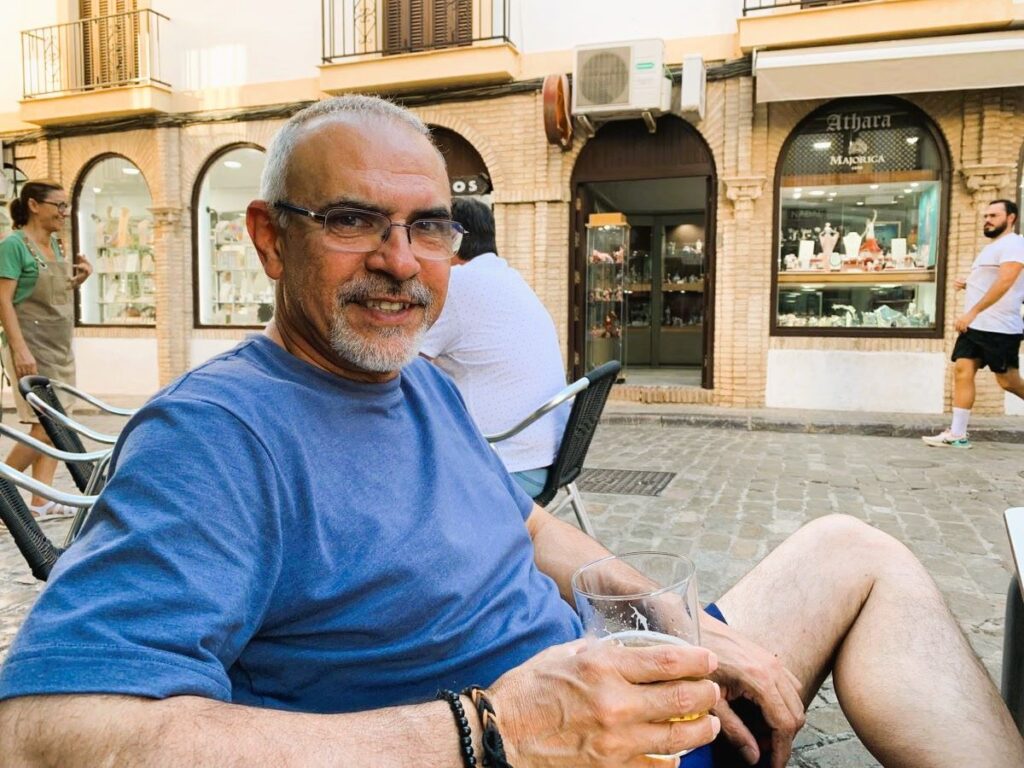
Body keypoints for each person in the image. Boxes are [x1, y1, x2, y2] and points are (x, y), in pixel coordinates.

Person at [0, 96, 1021, 768]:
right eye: (355, 220)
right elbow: (49, 732)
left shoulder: (418, 386)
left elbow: (522, 530)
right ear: (271, 239)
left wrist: (685, 622)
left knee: (855, 549)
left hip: (620, 710)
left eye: (429, 227)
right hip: (531, 747)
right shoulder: (217, 436)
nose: (401, 262)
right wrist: (494, 730)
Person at [420, 197, 568, 497]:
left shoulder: (458, 284)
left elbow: (402, 365)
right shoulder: (509, 278)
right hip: (550, 459)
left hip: (506, 467)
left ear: (454, 239)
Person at [0, 180, 92, 518]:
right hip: (31, 347)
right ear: (34, 205)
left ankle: (41, 500)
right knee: (47, 423)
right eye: (59, 205)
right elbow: (3, 302)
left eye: (66, 206)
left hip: (58, 346)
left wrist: (79, 278)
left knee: (58, 423)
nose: (64, 213)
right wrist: (20, 350)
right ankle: (2, 487)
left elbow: (53, 293)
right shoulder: (13, 246)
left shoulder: (55, 243)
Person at [923, 199, 1024, 448]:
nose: (987, 220)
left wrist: (972, 312)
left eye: (993, 215)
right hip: (977, 326)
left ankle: (958, 432)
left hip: (999, 327)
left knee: (1008, 381)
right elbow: (994, 282)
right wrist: (970, 285)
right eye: (985, 216)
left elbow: (1006, 282)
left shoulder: (1015, 244)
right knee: (962, 370)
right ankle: (958, 434)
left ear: (1011, 218)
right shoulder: (992, 248)